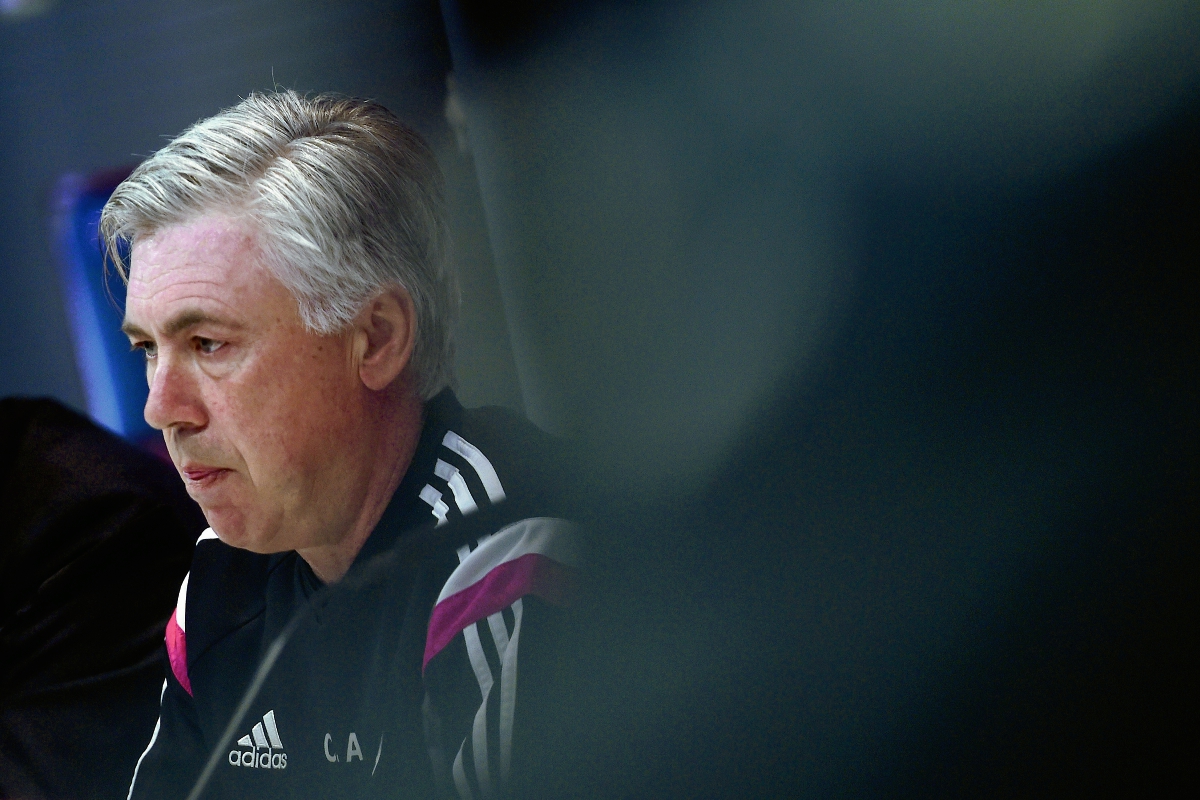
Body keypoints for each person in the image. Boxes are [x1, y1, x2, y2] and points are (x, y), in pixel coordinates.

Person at [100, 91, 580, 800]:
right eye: (148, 348)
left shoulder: (505, 564)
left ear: (377, 339)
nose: (160, 407)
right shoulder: (217, 580)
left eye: (208, 343)